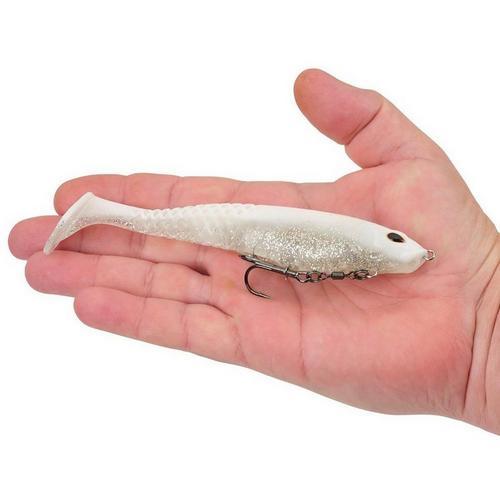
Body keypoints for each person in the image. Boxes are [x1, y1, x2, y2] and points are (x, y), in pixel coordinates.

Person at [8, 68, 499, 434]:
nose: (409, 250)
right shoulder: (359, 242)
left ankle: (100, 212)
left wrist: (483, 330)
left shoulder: (375, 256)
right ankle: (99, 212)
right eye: (397, 240)